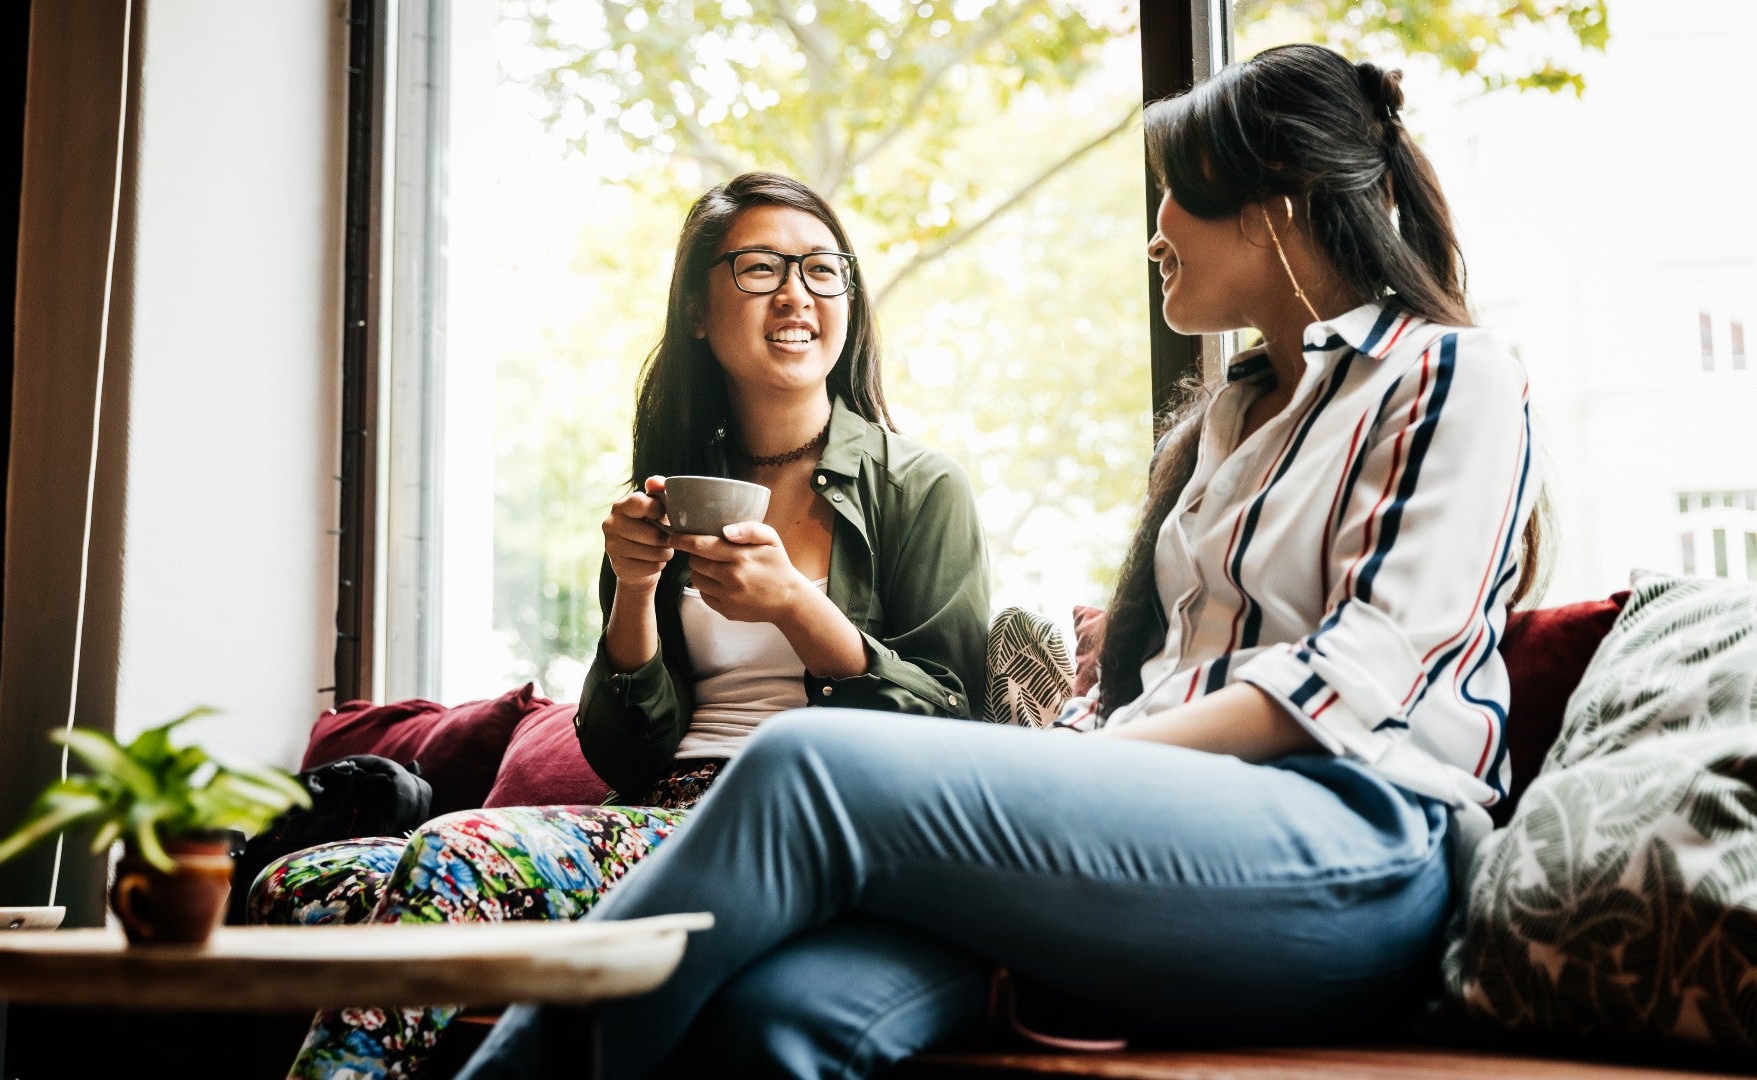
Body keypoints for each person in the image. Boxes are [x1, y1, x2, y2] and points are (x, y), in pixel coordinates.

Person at [457, 43, 1544, 1080]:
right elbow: (1155, 683)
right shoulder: (1235, 419)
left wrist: (1086, 770)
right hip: (1164, 832)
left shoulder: (1450, 374)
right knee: (776, 1017)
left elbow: (1363, 670)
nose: (1155, 233)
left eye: (1175, 193)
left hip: (1356, 851)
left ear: (1276, 210)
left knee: (806, 764)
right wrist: (1078, 751)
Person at [277, 171, 991, 1080]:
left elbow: (955, 723)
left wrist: (796, 606)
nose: (796, 294)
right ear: (696, 310)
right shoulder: (671, 489)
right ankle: (527, 938)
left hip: (785, 831)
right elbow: (624, 753)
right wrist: (633, 589)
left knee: (460, 855)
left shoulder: (918, 486)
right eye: (761, 268)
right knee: (303, 880)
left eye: (822, 269)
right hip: (655, 815)